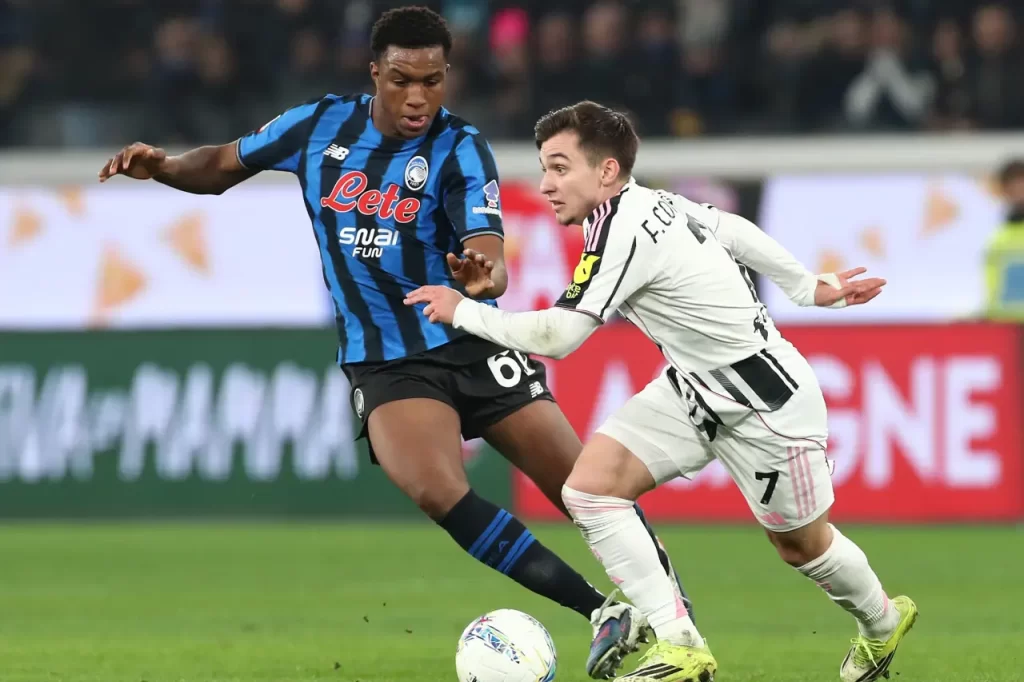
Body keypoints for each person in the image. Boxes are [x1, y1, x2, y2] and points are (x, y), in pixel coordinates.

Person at [96, 8, 692, 679]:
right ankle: (602, 612)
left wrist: (483, 274)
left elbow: (490, 254)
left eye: (432, 81)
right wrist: (165, 166)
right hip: (385, 360)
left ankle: (678, 624)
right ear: (374, 72)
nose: (417, 97)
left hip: (470, 341)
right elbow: (223, 164)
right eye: (402, 80)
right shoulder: (318, 126)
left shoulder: (460, 146)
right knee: (438, 490)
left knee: (585, 489)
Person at [405, 100, 918, 682]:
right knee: (591, 489)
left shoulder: (621, 228)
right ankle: (680, 645)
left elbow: (560, 336)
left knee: (803, 546)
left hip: (765, 405)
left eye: (560, 168)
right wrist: (804, 287)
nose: (546, 184)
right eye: (545, 168)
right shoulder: (652, 203)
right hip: (693, 390)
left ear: (606, 171)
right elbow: (731, 228)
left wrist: (464, 312)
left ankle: (882, 623)